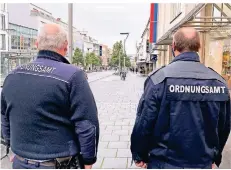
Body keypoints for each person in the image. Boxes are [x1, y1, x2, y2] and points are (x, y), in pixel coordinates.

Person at [1, 24, 99, 169]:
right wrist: (88, 160)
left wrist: (12, 146)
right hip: (59, 163)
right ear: (65, 47)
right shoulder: (73, 76)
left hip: (20, 162)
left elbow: (4, 117)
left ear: (36, 44)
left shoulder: (12, 76)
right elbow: (86, 124)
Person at [130, 27, 231, 169]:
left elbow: (144, 123)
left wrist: (139, 155)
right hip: (202, 164)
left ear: (173, 46)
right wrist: (215, 157)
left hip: (163, 164)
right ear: (199, 46)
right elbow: (224, 127)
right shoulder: (219, 83)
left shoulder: (158, 80)